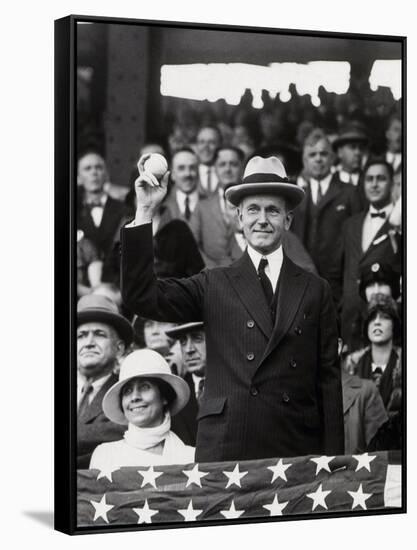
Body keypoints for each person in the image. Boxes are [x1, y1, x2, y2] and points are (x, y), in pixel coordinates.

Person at [121, 154, 344, 462]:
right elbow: (141, 296)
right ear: (239, 217)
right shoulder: (213, 283)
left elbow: (329, 384)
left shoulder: (316, 289)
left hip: (296, 451)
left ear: (288, 220)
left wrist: (333, 464)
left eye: (273, 211)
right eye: (253, 209)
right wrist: (145, 209)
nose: (262, 219)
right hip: (228, 450)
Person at [89, 349, 194, 470]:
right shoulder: (105, 456)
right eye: (127, 391)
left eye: (144, 387)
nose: (134, 397)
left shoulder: (190, 458)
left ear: (164, 396)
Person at [291, 128, 361, 303]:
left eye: (323, 153)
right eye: (312, 154)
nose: (318, 159)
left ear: (332, 157)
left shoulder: (350, 193)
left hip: (339, 284)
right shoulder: (296, 196)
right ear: (304, 160)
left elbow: (358, 241)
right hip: (302, 283)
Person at [341, 159, 401, 351]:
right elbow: (337, 272)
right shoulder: (350, 225)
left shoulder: (402, 226)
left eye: (381, 179)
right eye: (369, 179)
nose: (374, 184)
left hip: (386, 326)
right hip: (350, 327)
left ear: (392, 184)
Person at [77, 294, 134, 468]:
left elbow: (128, 430)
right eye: (81, 336)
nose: (88, 343)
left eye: (99, 334)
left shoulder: (128, 392)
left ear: (119, 348)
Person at [190, 146, 245, 267]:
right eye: (222, 164)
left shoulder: (252, 204)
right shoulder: (202, 207)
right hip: (211, 275)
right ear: (215, 168)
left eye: (234, 164)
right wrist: (211, 270)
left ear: (242, 168)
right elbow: (192, 244)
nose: (227, 169)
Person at [346, 294, 401, 411]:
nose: (377, 322)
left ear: (394, 324)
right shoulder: (352, 364)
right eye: (372, 318)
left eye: (384, 317)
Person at [77, 150, 128, 263]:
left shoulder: (123, 209)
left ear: (106, 174)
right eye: (87, 168)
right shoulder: (73, 211)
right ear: (79, 177)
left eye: (98, 167)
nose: (94, 172)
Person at [165, 322, 206, 445]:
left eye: (197, 339)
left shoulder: (235, 386)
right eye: (183, 342)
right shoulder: (173, 394)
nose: (189, 349)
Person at [163, 148, 206, 223]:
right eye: (181, 168)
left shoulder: (212, 205)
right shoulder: (163, 207)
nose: (187, 174)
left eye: (192, 168)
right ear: (172, 174)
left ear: (198, 172)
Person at [195, 126, 222, 195]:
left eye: (211, 142)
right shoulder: (189, 174)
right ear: (196, 145)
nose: (206, 147)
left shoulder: (228, 174)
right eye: (202, 142)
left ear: (219, 145)